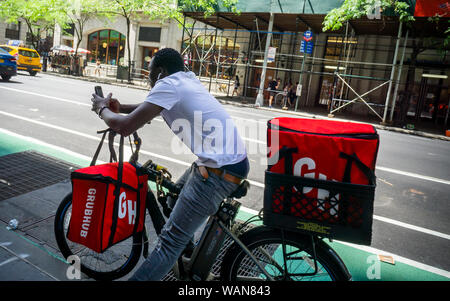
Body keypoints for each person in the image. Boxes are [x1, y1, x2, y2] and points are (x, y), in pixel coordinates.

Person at [91, 48, 249, 281]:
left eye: (150, 73)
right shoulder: (185, 79)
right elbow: (153, 106)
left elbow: (124, 128)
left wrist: (101, 108)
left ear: (161, 73)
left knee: (168, 243)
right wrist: (121, 108)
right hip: (225, 162)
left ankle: (180, 251)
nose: (148, 78)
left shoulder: (168, 85)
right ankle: (189, 256)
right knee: (173, 198)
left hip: (217, 170)